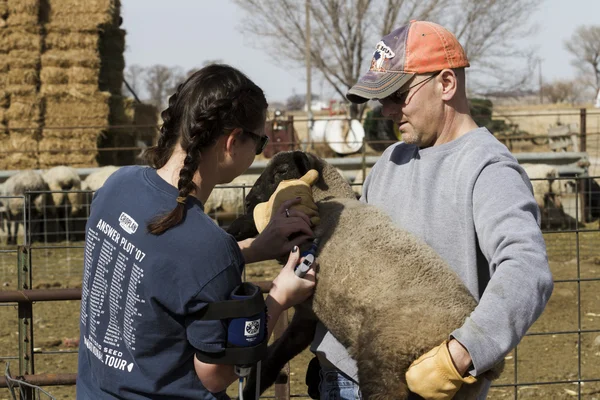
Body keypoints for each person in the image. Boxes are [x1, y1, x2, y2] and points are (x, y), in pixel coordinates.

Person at [309, 20, 554, 399]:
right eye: (381, 99)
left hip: (415, 386)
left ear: (446, 84)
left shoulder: (488, 169)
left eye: (397, 95)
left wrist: (460, 354)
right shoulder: (391, 160)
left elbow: (526, 267)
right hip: (343, 373)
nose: (387, 110)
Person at [77, 64, 318, 399]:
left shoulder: (117, 185)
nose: (260, 151)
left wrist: (251, 247)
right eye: (260, 141)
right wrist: (279, 297)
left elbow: (162, 263)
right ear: (233, 141)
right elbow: (215, 375)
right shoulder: (207, 247)